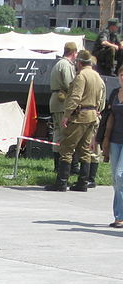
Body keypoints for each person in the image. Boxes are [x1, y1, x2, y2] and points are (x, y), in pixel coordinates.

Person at [45, 50, 106, 192]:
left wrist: (67, 114)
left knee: (66, 148)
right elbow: (100, 97)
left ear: (79, 62)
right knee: (84, 150)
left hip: (79, 117)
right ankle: (83, 182)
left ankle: (61, 182)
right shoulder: (97, 76)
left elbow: (75, 97)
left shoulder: (81, 76)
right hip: (92, 116)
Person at [49, 42, 77, 173]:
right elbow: (69, 83)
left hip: (56, 100)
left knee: (57, 133)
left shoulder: (59, 63)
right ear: (74, 53)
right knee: (63, 133)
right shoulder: (66, 65)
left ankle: (58, 166)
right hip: (62, 102)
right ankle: (62, 166)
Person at [101, 68, 123, 228]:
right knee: (115, 180)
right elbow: (108, 116)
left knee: (120, 175)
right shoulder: (115, 92)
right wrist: (99, 138)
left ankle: (120, 216)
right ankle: (118, 214)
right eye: (122, 75)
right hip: (114, 139)